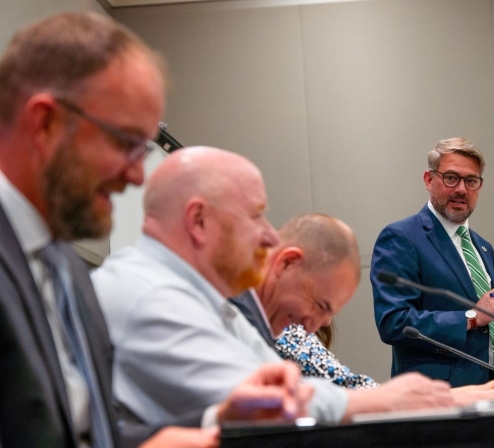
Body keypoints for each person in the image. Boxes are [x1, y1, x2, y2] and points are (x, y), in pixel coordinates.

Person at [0, 12, 307, 448]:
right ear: (45, 122)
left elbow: (85, 432)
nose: (139, 178)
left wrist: (212, 421)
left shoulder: (66, 267)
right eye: (126, 143)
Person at [92, 147, 455, 429]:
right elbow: (264, 403)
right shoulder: (151, 294)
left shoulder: (208, 302)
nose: (269, 235)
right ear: (199, 220)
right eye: (255, 215)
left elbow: (289, 389)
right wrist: (381, 401)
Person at [232, 213, 494, 400]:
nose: (321, 324)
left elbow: (337, 391)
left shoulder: (482, 246)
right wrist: (477, 392)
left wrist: (484, 390)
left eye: (473, 180)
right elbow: (346, 391)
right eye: (320, 304)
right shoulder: (241, 320)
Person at [370, 138, 494, 388]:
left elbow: (485, 320)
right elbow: (394, 322)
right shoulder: (402, 238)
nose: (461, 190)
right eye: (451, 178)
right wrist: (472, 316)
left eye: (471, 181)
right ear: (428, 180)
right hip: (441, 394)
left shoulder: (482, 246)